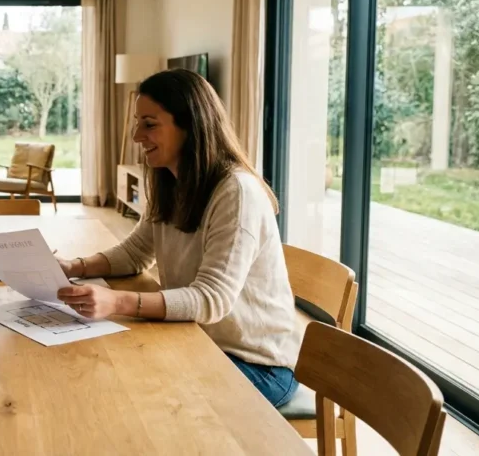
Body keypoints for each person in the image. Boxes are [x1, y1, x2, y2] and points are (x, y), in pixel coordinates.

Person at [56, 68, 300, 407]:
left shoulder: (236, 192)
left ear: (191, 125)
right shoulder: (171, 180)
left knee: (131, 392)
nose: (136, 135)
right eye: (137, 122)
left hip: (257, 364)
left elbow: (210, 299)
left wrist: (117, 302)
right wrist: (73, 266)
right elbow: (136, 252)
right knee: (103, 369)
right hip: (197, 337)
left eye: (150, 124)